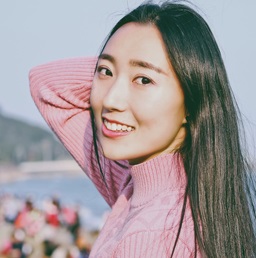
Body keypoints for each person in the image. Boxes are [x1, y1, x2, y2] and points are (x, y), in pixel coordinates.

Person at [29, 1, 256, 257]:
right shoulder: (140, 187)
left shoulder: (151, 235)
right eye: (105, 72)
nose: (111, 100)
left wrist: (120, 65)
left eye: (144, 80)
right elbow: (46, 83)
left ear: (193, 99)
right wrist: (126, 64)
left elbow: (47, 86)